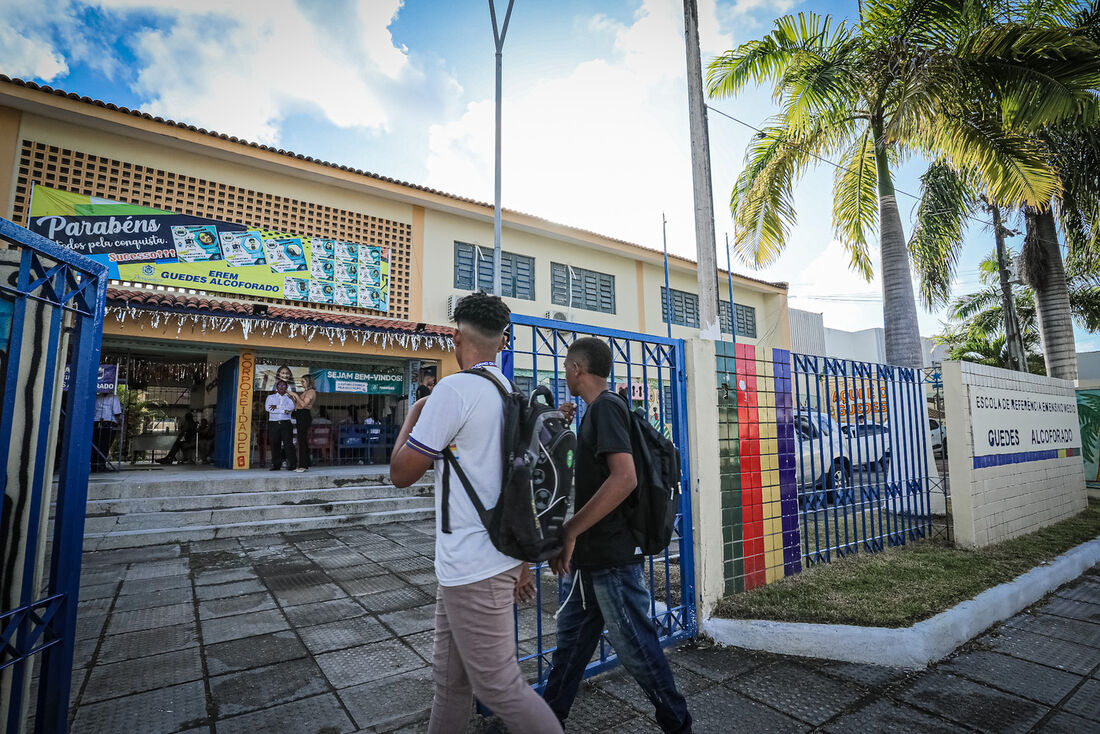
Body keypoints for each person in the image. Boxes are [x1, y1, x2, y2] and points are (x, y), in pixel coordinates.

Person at [390, 292, 561, 734]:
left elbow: (401, 472)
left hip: (473, 567)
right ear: (504, 341)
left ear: (453, 336)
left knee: (501, 687)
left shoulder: (453, 391)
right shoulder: (508, 392)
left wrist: (413, 414)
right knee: (449, 684)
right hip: (486, 559)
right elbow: (514, 484)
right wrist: (522, 564)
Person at [543, 337, 692, 734]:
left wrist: (571, 529)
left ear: (577, 368)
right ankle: (543, 722)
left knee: (640, 650)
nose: (564, 373)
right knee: (570, 650)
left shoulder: (606, 408)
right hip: (593, 560)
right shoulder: (600, 409)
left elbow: (624, 479)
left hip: (611, 560)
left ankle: (679, 724)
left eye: (566, 366)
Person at [265, 380, 296, 471]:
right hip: (274, 424)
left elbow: (291, 408)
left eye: (284, 385)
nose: (282, 387)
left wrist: (277, 407)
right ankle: (276, 465)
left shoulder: (290, 398)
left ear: (286, 388)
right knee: (275, 444)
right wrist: (283, 410)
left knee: (288, 444)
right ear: (276, 387)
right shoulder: (270, 397)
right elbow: (268, 408)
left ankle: (292, 464)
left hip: (286, 423)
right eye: (280, 385)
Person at [290, 374, 316, 473]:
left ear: (308, 382)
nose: (301, 383)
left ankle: (302, 465)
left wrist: (296, 395)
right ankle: (306, 463)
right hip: (300, 415)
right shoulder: (305, 392)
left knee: (302, 441)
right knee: (302, 441)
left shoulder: (311, 392)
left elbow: (304, 404)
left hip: (304, 416)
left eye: (303, 381)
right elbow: (298, 404)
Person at [92, 388, 122, 472]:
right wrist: (120, 423)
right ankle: (101, 464)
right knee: (105, 445)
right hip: (109, 422)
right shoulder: (113, 397)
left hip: (96, 422)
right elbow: (117, 413)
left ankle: (94, 465)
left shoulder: (97, 397)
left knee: (96, 445)